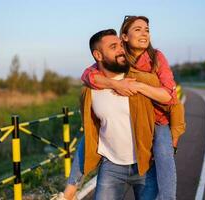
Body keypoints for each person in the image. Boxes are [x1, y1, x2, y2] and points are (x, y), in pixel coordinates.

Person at [54, 29, 170, 200]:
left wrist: (171, 140)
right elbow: (90, 136)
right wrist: (72, 185)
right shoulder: (89, 92)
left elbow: (169, 108)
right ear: (98, 55)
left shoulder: (143, 80)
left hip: (146, 166)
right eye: (113, 46)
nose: (121, 49)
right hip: (111, 168)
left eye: (121, 45)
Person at [81, 16, 185, 200]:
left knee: (164, 156)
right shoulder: (122, 57)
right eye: (137, 29)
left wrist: (138, 86)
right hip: (134, 121)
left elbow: (170, 96)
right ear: (124, 37)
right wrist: (115, 85)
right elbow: (88, 74)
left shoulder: (156, 57)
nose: (144, 33)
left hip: (157, 119)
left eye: (146, 29)